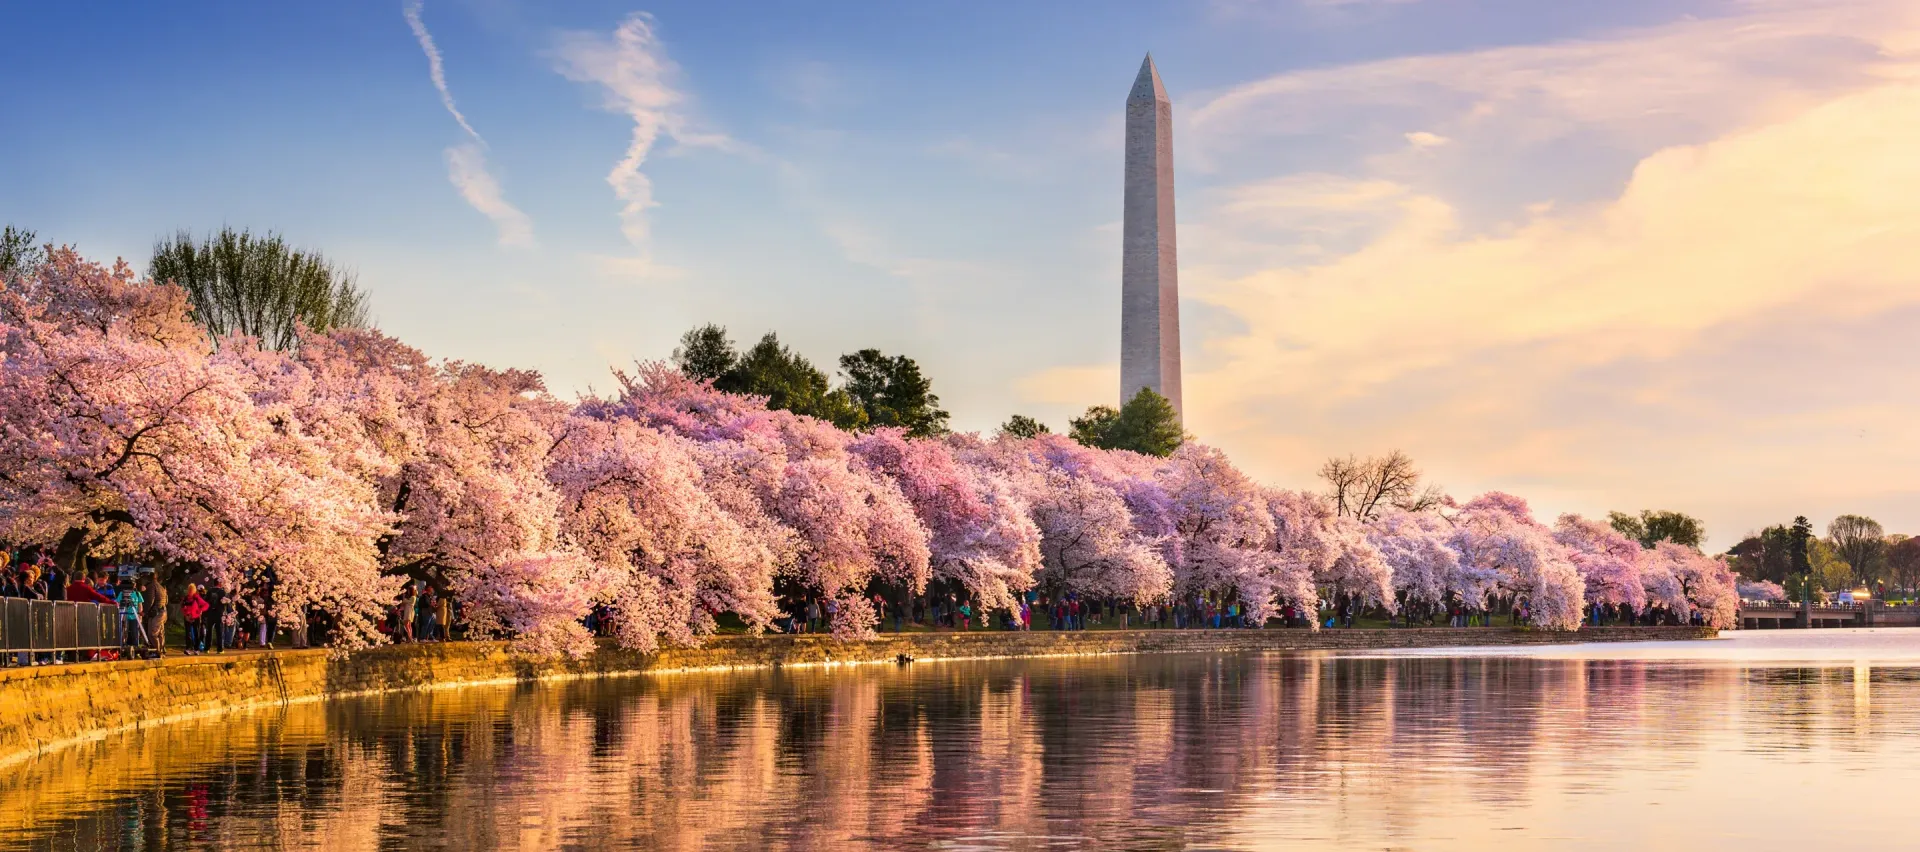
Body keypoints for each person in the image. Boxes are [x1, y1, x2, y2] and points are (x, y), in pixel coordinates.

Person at [117, 579, 149, 656]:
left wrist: (139, 615)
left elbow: (140, 605)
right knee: (125, 633)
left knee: (134, 633)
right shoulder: (122, 594)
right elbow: (118, 603)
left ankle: (135, 647)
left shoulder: (137, 594)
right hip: (125, 616)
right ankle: (124, 647)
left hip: (135, 616)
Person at [143, 574, 169, 657]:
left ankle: (156, 652)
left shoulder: (152, 586)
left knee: (152, 633)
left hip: (156, 613)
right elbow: (166, 601)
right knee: (160, 633)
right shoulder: (161, 587)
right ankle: (161, 650)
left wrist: (145, 611)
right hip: (163, 611)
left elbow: (150, 601)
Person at [181, 584, 209, 654]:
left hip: (196, 617)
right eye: (189, 589)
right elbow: (182, 607)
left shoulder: (197, 598)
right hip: (187, 617)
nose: (190, 591)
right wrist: (186, 615)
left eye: (192, 590)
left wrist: (200, 610)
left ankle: (196, 649)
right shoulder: (185, 598)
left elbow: (206, 605)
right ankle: (188, 648)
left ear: (194, 590)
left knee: (196, 633)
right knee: (188, 633)